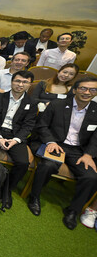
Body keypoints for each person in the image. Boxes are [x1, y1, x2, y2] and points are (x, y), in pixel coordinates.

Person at [27, 77, 97, 227]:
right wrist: (50, 142)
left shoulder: (96, 111)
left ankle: (73, 211)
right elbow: (42, 125)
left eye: (92, 89)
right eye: (83, 88)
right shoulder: (57, 104)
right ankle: (34, 197)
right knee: (48, 165)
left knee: (91, 176)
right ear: (75, 90)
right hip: (55, 143)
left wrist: (89, 154)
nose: (87, 92)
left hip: (78, 151)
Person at [0, 70, 37, 208]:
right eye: (17, 81)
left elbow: (28, 126)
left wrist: (15, 140)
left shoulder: (32, 103)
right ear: (12, 82)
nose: (20, 84)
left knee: (23, 162)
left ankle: (7, 190)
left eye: (25, 82)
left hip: (15, 136)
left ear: (29, 85)